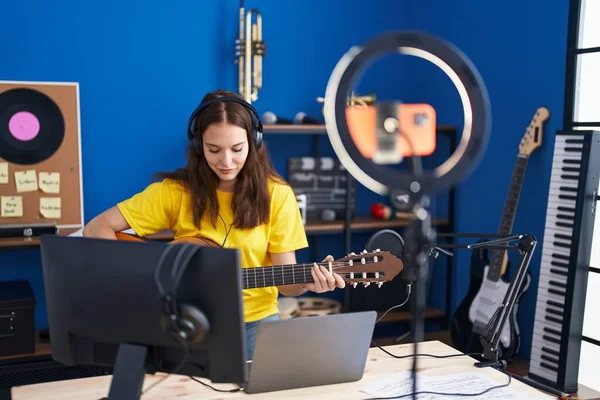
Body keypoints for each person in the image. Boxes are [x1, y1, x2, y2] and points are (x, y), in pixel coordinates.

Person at [82, 89, 346, 360]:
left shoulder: (277, 196)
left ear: (254, 142)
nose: (226, 161)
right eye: (214, 149)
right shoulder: (174, 192)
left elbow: (286, 284)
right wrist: (135, 283)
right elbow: (95, 228)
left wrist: (310, 283)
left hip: (256, 325)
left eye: (237, 149)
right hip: (188, 324)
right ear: (198, 146)